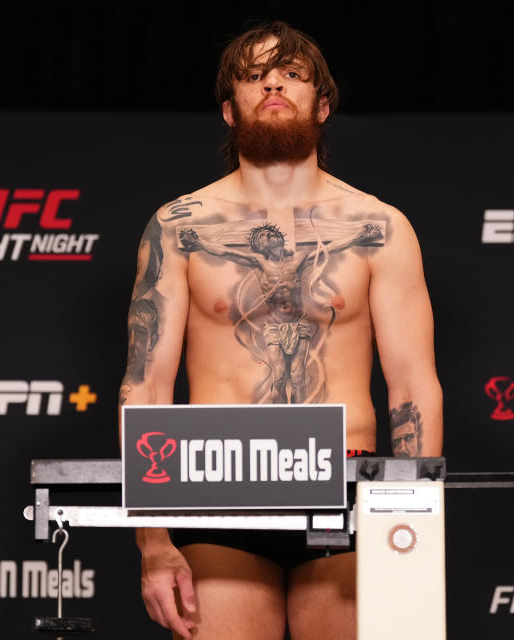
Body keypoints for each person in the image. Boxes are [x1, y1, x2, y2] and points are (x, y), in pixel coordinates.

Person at [119, 20, 443, 640]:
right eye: (253, 75)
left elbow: (412, 386)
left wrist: (414, 525)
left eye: (292, 74)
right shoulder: (178, 228)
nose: (272, 82)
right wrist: (153, 542)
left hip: (349, 486)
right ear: (228, 109)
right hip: (218, 484)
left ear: (321, 105)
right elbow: (147, 386)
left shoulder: (380, 227)